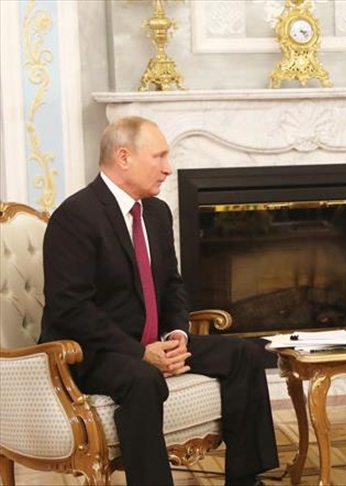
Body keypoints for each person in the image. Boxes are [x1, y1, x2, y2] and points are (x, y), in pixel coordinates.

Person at [40, 116, 279, 486]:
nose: (168, 168)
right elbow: (70, 308)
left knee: (243, 354)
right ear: (124, 157)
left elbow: (171, 286)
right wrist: (141, 353)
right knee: (143, 378)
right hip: (91, 353)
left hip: (153, 342)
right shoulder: (75, 217)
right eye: (159, 156)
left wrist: (177, 335)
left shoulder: (156, 211)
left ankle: (245, 480)